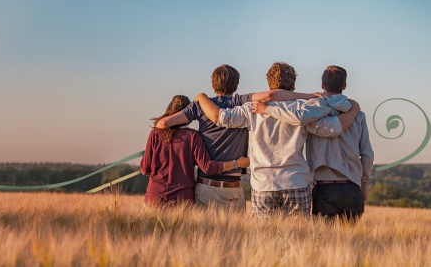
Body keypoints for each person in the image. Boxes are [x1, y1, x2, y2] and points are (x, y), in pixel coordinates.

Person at [196, 62, 360, 217]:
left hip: (264, 183)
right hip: (296, 182)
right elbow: (331, 129)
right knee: (299, 239)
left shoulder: (251, 109)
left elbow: (221, 118)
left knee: (264, 240)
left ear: (269, 85)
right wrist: (354, 109)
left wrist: (202, 97)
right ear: (293, 86)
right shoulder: (303, 108)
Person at [156, 64, 317, 211]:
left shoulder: (200, 106)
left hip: (206, 185)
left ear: (213, 85)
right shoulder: (240, 102)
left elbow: (163, 124)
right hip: (233, 186)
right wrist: (307, 95)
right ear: (236, 85)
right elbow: (269, 95)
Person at [255, 66, 374, 221]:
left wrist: (268, 109)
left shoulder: (311, 111)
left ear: (322, 85)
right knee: (350, 243)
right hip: (352, 188)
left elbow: (298, 117)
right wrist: (364, 185)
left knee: (324, 242)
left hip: (324, 188)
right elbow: (367, 154)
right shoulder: (358, 115)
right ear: (344, 86)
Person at [140, 95, 250, 207]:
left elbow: (144, 169)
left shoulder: (155, 133)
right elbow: (207, 167)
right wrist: (236, 163)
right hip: (182, 200)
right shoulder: (193, 136)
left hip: (154, 198)